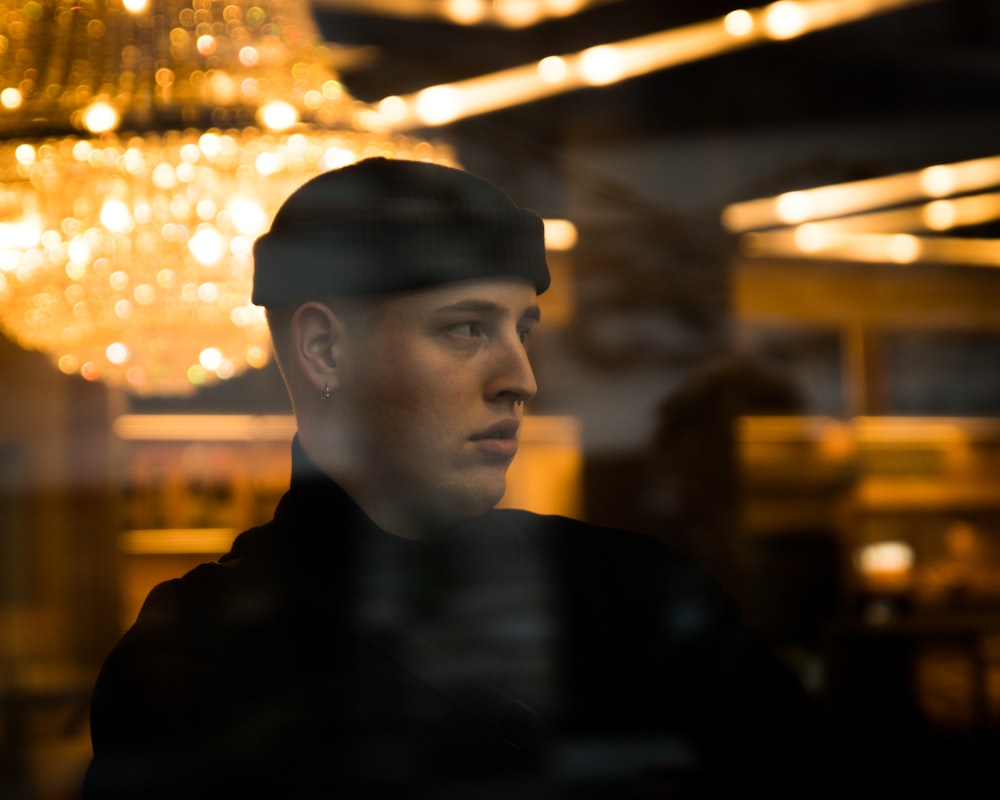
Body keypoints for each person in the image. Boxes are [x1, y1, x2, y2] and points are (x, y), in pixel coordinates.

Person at [82, 157, 849, 799]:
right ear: (322, 351)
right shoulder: (200, 662)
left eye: (523, 330)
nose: (521, 379)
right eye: (467, 328)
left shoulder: (638, 593)